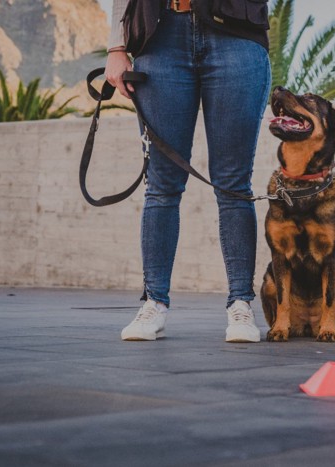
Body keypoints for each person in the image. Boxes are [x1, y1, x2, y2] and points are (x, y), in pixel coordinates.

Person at [104, 0, 271, 342]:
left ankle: (241, 303)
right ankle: (154, 303)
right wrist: (116, 46)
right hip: (160, 35)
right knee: (162, 185)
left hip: (236, 35)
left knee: (234, 184)